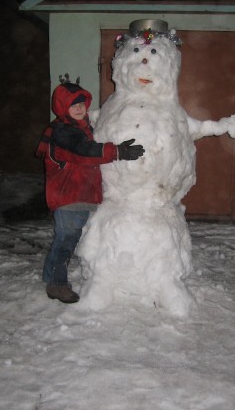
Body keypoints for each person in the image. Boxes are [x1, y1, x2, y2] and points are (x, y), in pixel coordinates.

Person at [36, 78, 144, 304]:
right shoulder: (63, 133)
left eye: (81, 104)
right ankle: (57, 284)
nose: (79, 108)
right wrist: (118, 152)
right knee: (66, 242)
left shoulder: (81, 128)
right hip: (69, 198)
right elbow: (85, 152)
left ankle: (50, 276)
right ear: (62, 108)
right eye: (73, 105)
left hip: (79, 196)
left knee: (64, 239)